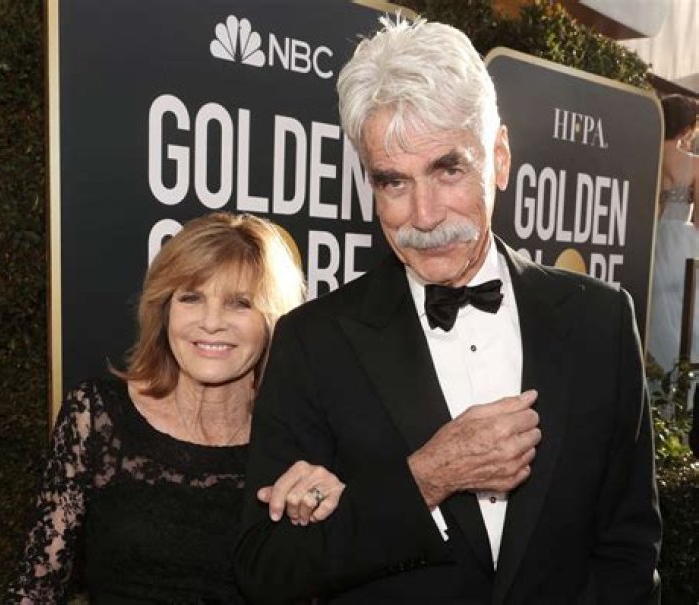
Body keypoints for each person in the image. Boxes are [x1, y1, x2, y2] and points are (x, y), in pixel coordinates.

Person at [234, 17, 661, 604]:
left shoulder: (600, 321)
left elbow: (629, 551)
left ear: (500, 158)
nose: (425, 215)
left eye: (449, 170)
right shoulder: (314, 341)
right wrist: (428, 478)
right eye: (393, 183)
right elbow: (267, 567)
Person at [5, 212, 344, 604]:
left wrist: (333, 516)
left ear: (274, 321)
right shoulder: (97, 416)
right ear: (164, 310)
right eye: (191, 298)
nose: (211, 323)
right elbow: (34, 590)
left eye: (239, 303)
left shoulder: (301, 443)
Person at [647, 94, 699, 372]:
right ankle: (681, 383)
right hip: (682, 247)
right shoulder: (693, 163)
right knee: (685, 316)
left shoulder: (646, 153)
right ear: (687, 128)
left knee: (653, 312)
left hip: (648, 240)